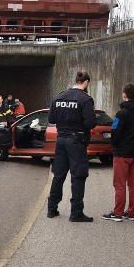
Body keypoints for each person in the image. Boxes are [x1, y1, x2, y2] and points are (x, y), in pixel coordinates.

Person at [47, 71, 97, 222]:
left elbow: (51, 119)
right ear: (86, 82)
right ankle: (76, 213)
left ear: (75, 81)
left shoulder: (59, 97)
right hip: (76, 142)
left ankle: (52, 209)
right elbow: (90, 123)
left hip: (61, 140)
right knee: (78, 176)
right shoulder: (85, 100)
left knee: (59, 175)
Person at [102, 83, 134, 222]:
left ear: (124, 95)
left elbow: (114, 132)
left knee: (119, 184)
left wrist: (116, 145)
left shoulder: (121, 113)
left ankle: (117, 213)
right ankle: (132, 213)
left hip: (122, 154)